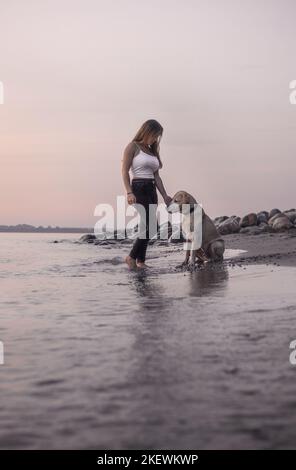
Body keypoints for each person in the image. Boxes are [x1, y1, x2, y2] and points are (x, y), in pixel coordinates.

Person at [121, 119, 172, 269]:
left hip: (151, 189)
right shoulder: (132, 147)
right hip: (138, 188)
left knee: (145, 226)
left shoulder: (152, 151)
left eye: (158, 137)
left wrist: (165, 195)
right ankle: (131, 257)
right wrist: (129, 192)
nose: (156, 139)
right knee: (153, 226)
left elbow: (157, 177)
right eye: (155, 135)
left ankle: (140, 261)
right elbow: (124, 171)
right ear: (147, 131)